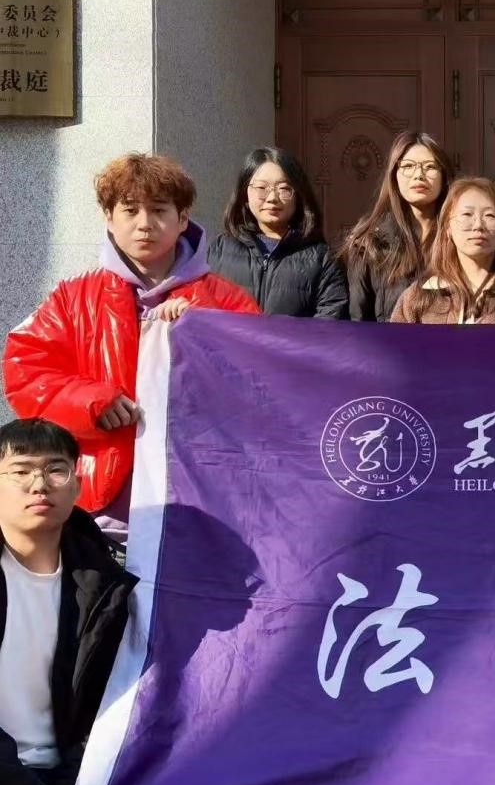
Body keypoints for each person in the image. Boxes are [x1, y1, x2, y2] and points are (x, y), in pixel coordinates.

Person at [3, 153, 261, 543]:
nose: (145, 223)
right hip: (101, 511)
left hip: (204, 507)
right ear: (109, 217)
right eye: (130, 210)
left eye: (159, 210)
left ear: (183, 218)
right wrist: (90, 402)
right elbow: (25, 372)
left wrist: (202, 331)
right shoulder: (73, 297)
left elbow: (258, 386)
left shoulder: (226, 301)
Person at [0, 419, 166, 785]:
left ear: (77, 483)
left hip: (60, 765)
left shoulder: (101, 580)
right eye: (20, 471)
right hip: (8, 770)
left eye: (56, 470)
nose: (39, 484)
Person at [207, 146, 349, 318]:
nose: (272, 198)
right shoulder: (217, 251)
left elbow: (330, 320)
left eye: (284, 188)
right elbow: (201, 311)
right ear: (245, 194)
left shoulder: (322, 259)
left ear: (298, 195)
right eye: (261, 188)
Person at [390, 177, 495, 325]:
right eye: (466, 214)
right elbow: (395, 344)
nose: (478, 225)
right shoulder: (418, 297)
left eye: (489, 215)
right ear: (447, 229)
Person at [342, 131, 457, 321]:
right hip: (388, 340)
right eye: (408, 166)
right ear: (394, 175)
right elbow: (358, 317)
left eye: (430, 167)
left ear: (444, 176)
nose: (419, 175)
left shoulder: (461, 238)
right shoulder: (370, 241)